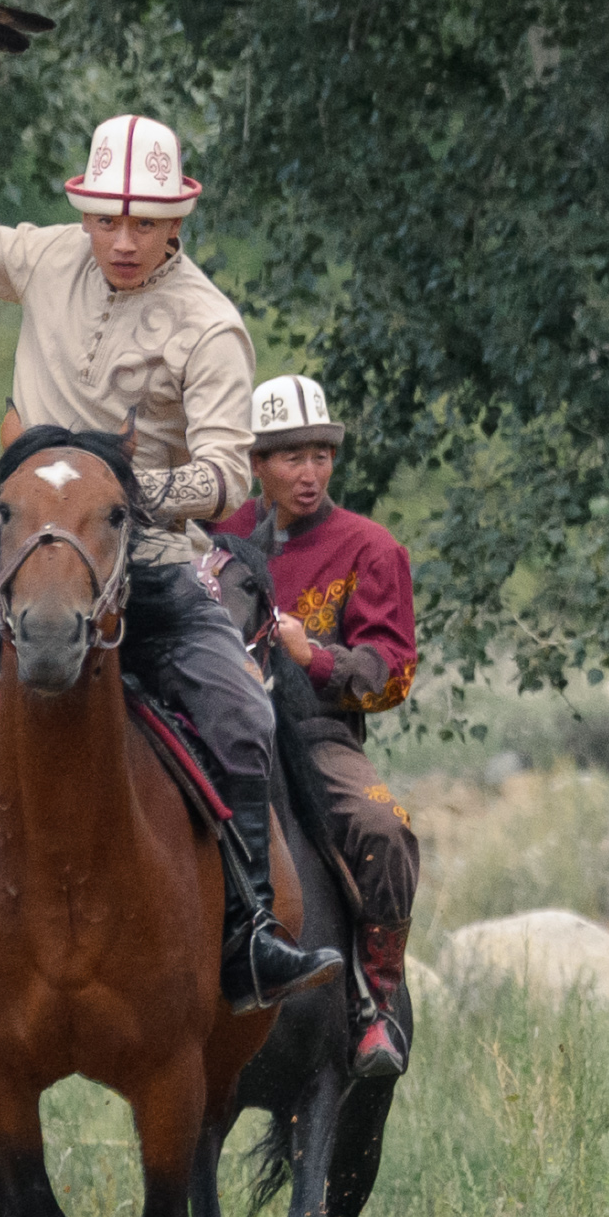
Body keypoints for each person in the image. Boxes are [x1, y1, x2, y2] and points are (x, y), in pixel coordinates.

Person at [0, 112, 338, 1010]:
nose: (122, 239)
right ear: (82, 213)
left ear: (177, 220)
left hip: (151, 562)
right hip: (23, 561)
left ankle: (250, 937)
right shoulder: (50, 256)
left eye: (144, 222)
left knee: (244, 711)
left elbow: (225, 476)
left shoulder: (210, 324)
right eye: (105, 219)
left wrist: (120, 491)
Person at [214, 372, 429, 1082]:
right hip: (220, 733)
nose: (309, 473)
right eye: (290, 457)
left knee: (386, 828)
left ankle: (376, 999)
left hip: (317, 738)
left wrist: (317, 658)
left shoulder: (371, 548)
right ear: (256, 463)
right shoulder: (219, 537)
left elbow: (394, 673)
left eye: (321, 455)